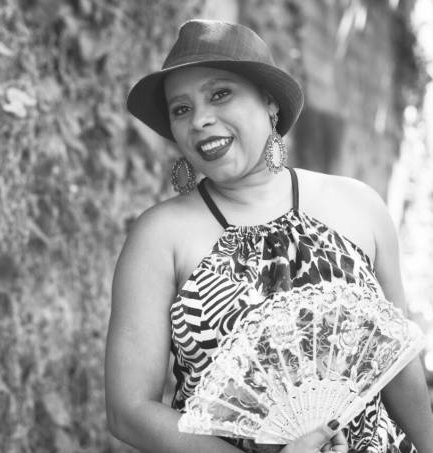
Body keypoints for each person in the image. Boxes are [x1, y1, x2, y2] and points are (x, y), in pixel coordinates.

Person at [105, 19, 433, 453]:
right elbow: (128, 410)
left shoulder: (359, 206)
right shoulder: (158, 237)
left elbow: (397, 361)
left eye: (220, 94)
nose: (200, 120)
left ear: (269, 102)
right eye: (181, 109)